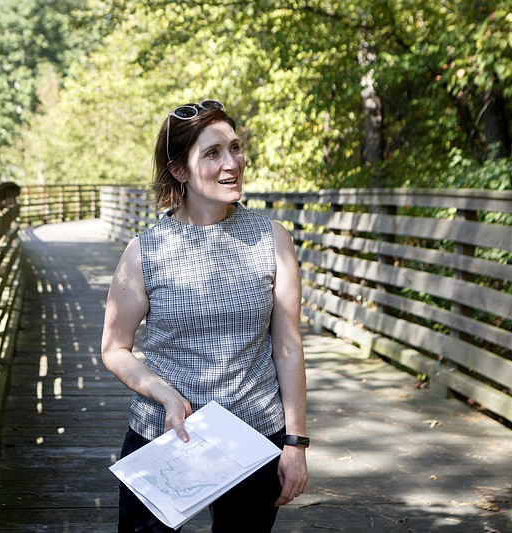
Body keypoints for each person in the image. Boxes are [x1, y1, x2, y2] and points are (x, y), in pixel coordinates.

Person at [101, 99, 309, 532]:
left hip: (254, 434)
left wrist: (295, 442)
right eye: (212, 153)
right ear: (179, 171)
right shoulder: (146, 250)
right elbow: (115, 349)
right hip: (164, 434)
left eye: (234, 148)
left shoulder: (272, 239)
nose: (232, 163)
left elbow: (288, 346)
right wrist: (166, 395)